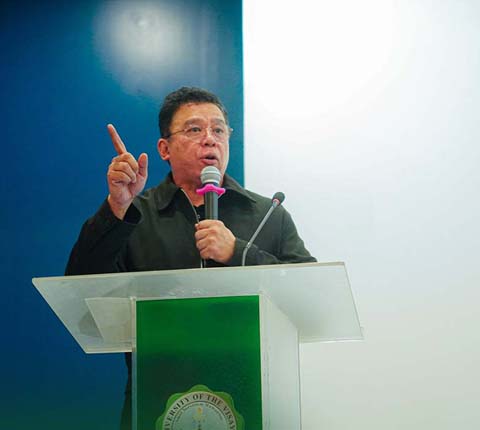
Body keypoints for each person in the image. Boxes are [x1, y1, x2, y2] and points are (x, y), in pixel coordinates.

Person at [65, 86, 315, 428]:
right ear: (164, 149)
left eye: (219, 130)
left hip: (254, 399)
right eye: (195, 129)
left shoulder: (268, 214)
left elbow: (308, 295)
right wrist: (117, 207)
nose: (210, 139)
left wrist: (239, 252)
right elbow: (82, 292)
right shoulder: (135, 214)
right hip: (155, 400)